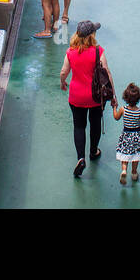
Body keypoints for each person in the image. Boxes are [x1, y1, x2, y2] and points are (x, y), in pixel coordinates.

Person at [59, 20, 116, 178]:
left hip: (76, 95)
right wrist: (113, 96)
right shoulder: (98, 51)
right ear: (92, 35)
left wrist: (63, 82)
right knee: (95, 123)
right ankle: (93, 151)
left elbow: (64, 71)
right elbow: (107, 74)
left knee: (79, 126)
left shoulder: (70, 52)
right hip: (95, 96)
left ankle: (80, 158)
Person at [113, 83, 140, 185]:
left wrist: (114, 108)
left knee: (125, 154)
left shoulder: (123, 109)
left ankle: (124, 170)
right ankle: (134, 173)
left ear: (126, 97)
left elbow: (116, 117)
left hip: (126, 135)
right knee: (136, 156)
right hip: (137, 136)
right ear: (138, 98)